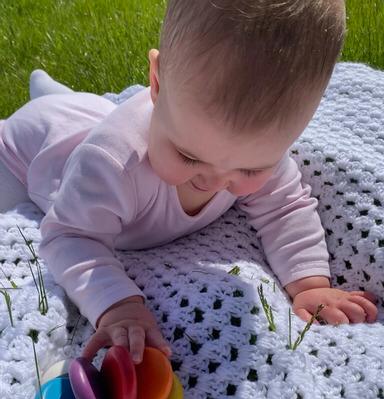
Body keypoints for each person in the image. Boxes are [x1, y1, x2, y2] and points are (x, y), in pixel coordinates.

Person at [0, 0, 378, 365]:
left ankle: (53, 91)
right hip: (26, 153)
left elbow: (285, 206)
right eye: (190, 156)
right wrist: (118, 305)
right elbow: (70, 236)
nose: (215, 180)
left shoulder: (248, 146)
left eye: (249, 171)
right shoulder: (111, 163)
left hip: (89, 123)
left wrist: (310, 284)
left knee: (91, 113)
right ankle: (46, 96)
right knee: (56, 132)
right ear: (157, 82)